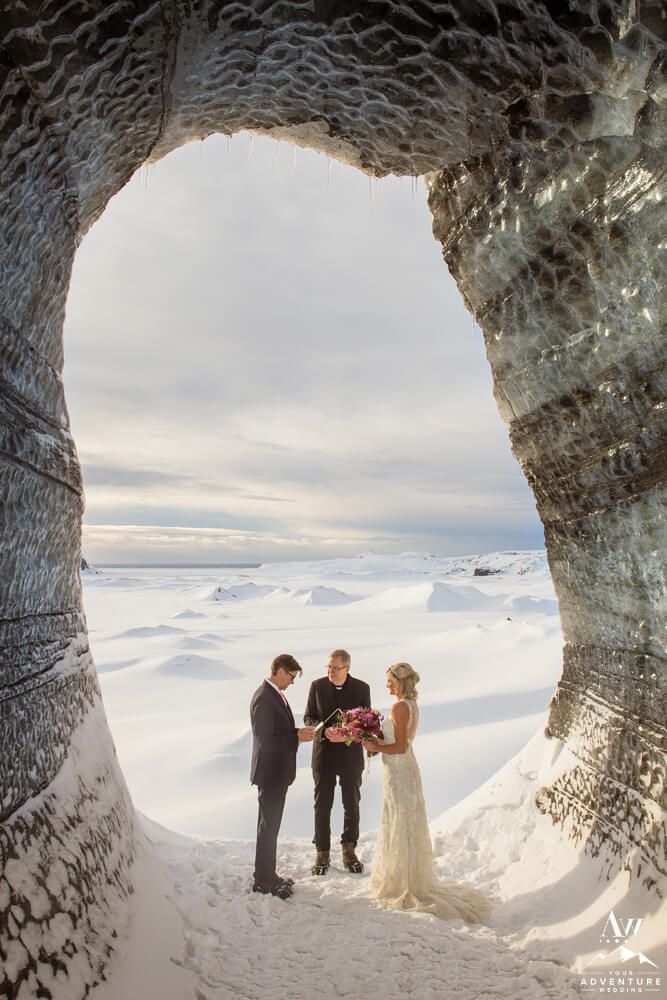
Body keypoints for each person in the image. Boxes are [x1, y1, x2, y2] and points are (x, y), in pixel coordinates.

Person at [364, 662, 490, 921]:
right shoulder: (411, 704)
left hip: (400, 769)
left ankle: (404, 882)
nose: (387, 684)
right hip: (402, 769)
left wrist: (373, 743)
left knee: (402, 820)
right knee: (403, 819)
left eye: (390, 680)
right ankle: (404, 874)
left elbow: (399, 746)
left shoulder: (400, 707)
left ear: (400, 682)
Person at [250, 653, 315, 899]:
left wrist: (297, 732)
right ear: (278, 670)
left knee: (270, 827)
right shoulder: (264, 699)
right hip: (271, 773)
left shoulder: (274, 694)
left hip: (278, 772)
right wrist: (296, 737)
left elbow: (278, 732)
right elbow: (266, 741)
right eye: (291, 677)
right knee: (268, 828)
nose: (291, 682)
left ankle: (268, 875)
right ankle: (263, 881)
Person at [304, 649, 371, 875]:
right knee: (322, 804)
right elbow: (309, 717)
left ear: (347, 668)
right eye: (329, 667)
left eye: (335, 668)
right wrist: (325, 728)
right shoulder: (317, 686)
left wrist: (347, 734)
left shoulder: (362, 689)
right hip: (323, 754)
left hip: (350, 755)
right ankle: (321, 853)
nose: (331, 672)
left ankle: (349, 849)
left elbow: (365, 722)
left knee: (351, 803)